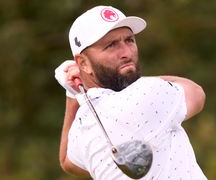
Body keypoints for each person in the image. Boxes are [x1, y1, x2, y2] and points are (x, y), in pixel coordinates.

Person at [55, 5, 207, 180]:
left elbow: (67, 160)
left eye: (129, 40)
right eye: (111, 45)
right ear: (82, 63)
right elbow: (197, 93)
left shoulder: (82, 124)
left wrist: (73, 95)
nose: (126, 53)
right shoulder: (149, 93)